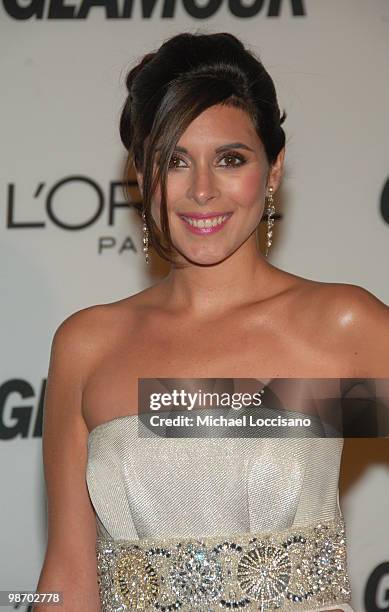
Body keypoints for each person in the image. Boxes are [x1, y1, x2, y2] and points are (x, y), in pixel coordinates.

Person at [35, 31, 389, 611]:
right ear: (143, 177)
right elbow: (68, 580)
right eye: (174, 160)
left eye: (230, 159)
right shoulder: (89, 345)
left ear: (273, 172)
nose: (202, 190)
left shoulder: (340, 327)